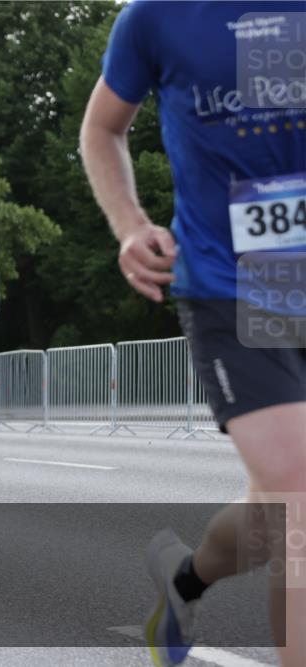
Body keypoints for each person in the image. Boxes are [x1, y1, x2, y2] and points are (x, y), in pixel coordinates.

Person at [80, 3, 305, 665]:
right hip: (229, 286)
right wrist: (129, 224)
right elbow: (101, 128)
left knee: (273, 518)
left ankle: (186, 578)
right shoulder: (155, 18)